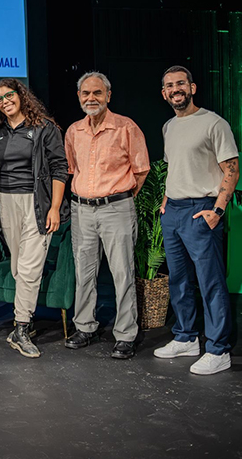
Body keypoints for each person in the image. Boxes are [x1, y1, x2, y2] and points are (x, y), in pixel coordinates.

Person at [154, 66, 238, 375]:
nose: (175, 89)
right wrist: (166, 201)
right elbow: (175, 168)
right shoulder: (168, 127)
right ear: (164, 94)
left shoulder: (214, 123)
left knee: (210, 282)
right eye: (169, 86)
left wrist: (217, 211)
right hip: (173, 212)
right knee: (178, 280)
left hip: (202, 209)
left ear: (192, 87)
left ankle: (218, 349)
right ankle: (186, 337)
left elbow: (231, 169)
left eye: (180, 83)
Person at [64, 72, 149, 360]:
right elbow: (72, 169)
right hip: (82, 210)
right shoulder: (74, 131)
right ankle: (85, 326)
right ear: (79, 97)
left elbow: (141, 170)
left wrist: (118, 198)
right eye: (85, 93)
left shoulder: (126, 127)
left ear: (108, 96)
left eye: (97, 93)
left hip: (116, 209)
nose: (91, 98)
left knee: (122, 272)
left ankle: (125, 334)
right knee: (84, 271)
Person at [0, 79, 68, 358]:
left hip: (37, 203)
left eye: (9, 95)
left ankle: (20, 327)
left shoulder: (44, 128)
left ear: (21, 96)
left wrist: (54, 207)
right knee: (18, 267)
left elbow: (59, 168)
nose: (5, 101)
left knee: (30, 266)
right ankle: (25, 320)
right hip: (5, 203)